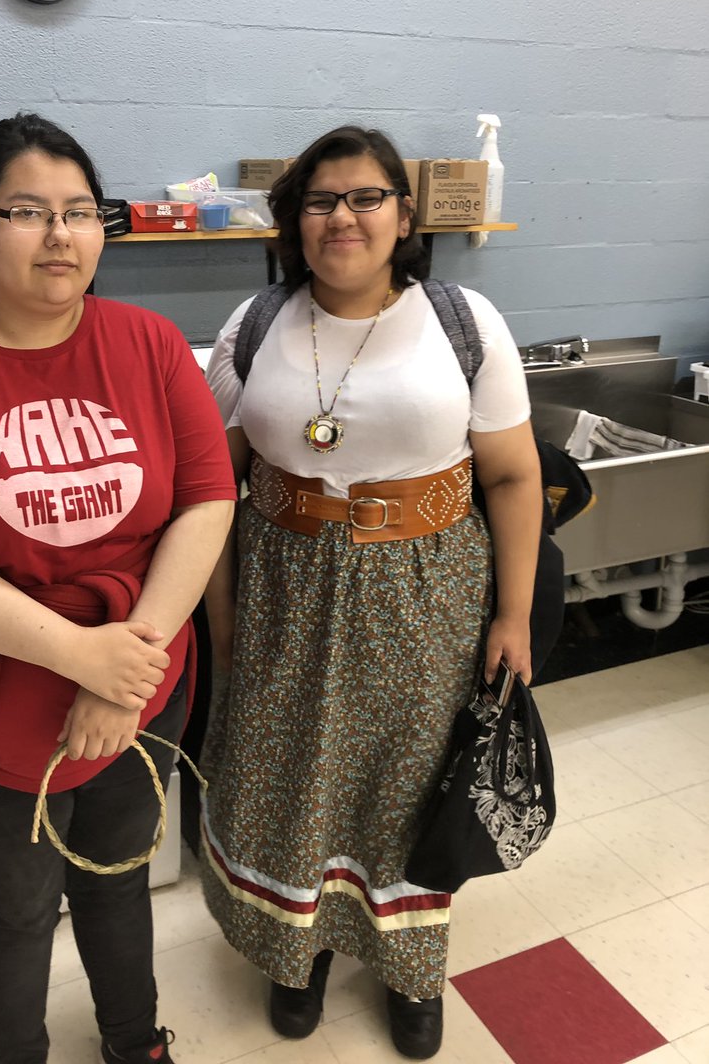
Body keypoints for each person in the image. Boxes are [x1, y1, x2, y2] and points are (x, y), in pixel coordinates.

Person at [0, 113, 236, 1064]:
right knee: (16, 912)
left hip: (141, 679)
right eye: (28, 211)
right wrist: (82, 660)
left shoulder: (145, 343)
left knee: (115, 880)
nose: (62, 235)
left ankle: (135, 1044)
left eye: (81, 211)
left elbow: (206, 498)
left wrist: (119, 673)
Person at [199, 126, 541, 1059]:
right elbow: (207, 489)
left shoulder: (463, 321)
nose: (342, 216)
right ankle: (294, 952)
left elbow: (511, 480)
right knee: (287, 778)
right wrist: (220, 614)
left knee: (404, 784)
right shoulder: (255, 326)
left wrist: (510, 617)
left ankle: (407, 972)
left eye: (365, 197)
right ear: (293, 220)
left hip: (426, 594)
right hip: (280, 588)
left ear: (402, 215)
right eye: (320, 200)